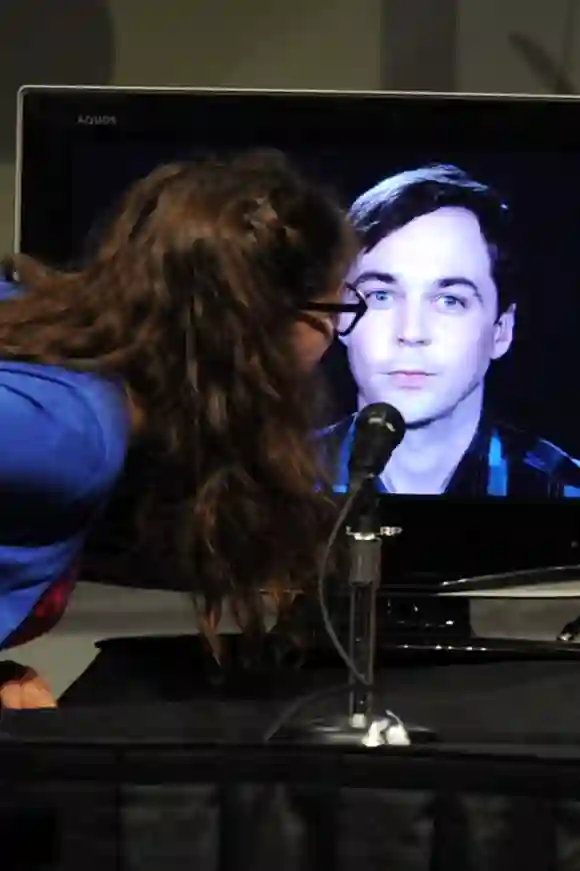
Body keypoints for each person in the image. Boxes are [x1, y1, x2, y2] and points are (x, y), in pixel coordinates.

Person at [0, 148, 357, 706]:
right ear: (267, 324)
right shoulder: (70, 435)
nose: (335, 336)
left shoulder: (41, 331)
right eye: (336, 312)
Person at [321, 163, 580, 497]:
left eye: (449, 301)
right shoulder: (267, 490)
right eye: (381, 296)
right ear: (342, 316)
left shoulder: (565, 490)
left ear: (501, 330)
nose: (411, 333)